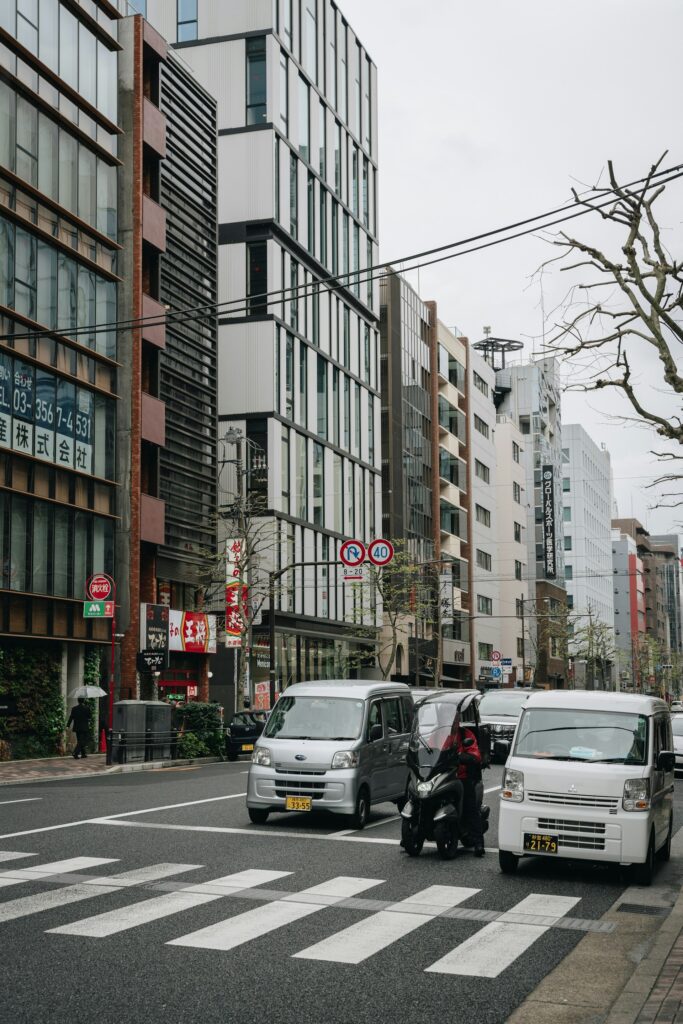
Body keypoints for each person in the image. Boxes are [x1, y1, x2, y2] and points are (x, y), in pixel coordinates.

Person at [453, 722, 485, 857]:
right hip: (441, 774)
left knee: (470, 806)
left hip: (462, 776)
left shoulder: (465, 734)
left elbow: (475, 754)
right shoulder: (438, 734)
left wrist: (461, 757)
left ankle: (479, 842)